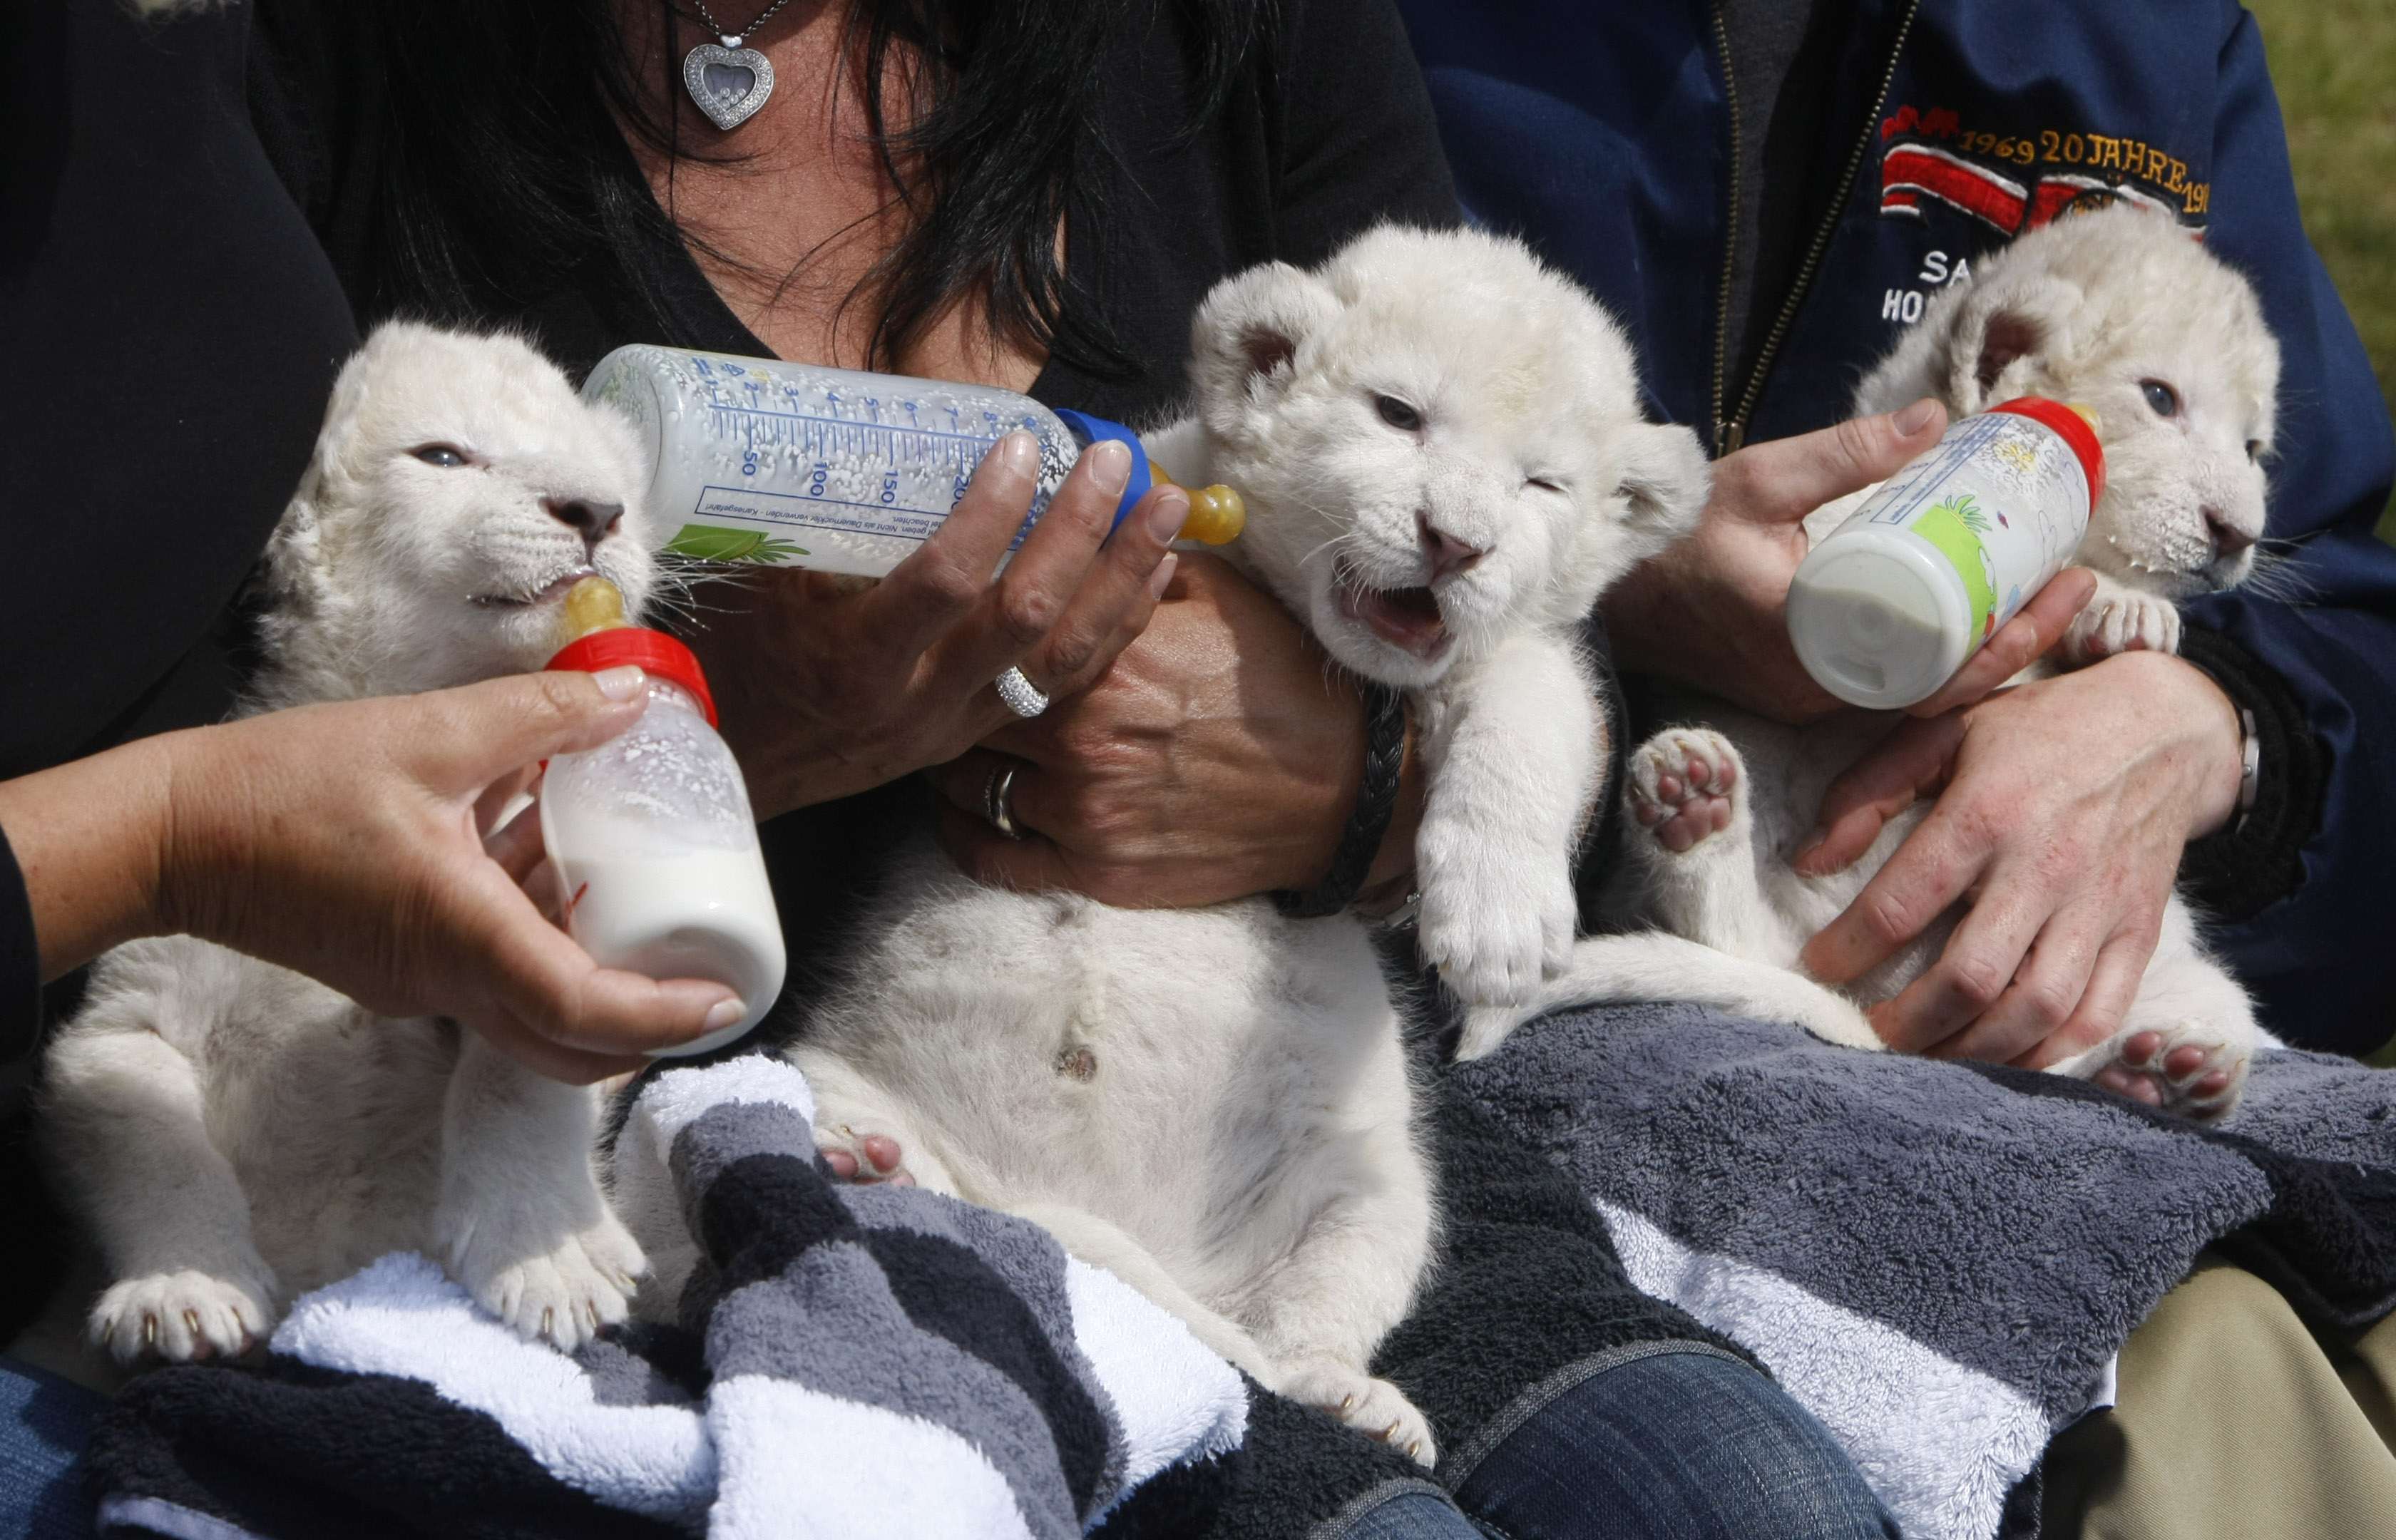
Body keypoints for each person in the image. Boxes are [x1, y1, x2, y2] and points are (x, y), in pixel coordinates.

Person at [4, 1, 1903, 1536]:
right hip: (776, 1184)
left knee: (1758, 1502)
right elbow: (229, 757)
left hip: (1274, 1114)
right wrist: (735, 738)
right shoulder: (287, 75)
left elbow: (1485, 555)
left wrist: (1342, 787)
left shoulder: (1223, 40)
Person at [1384, 1, 2396, 1535]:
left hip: (2057, 1064)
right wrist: (1618, 584)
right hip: (1491, 1015)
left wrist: (2213, 738)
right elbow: (1220, 470)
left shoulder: (2150, 39)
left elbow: (2349, 622)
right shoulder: (1342, 41)